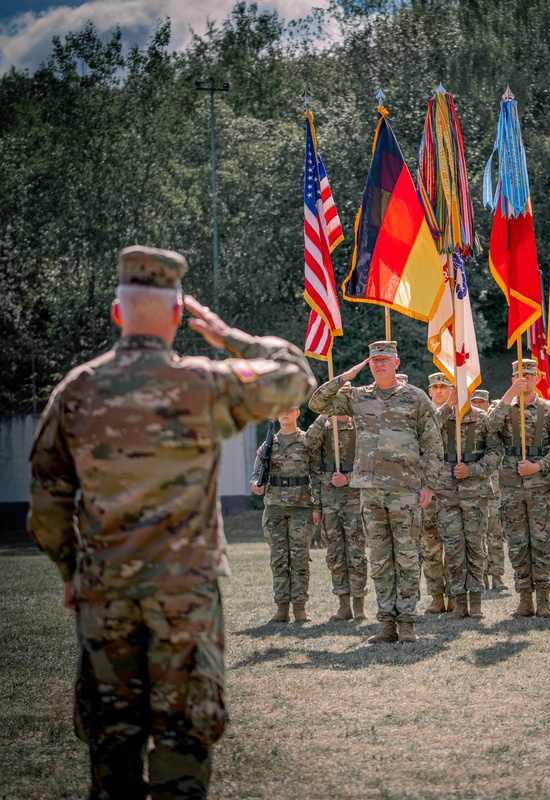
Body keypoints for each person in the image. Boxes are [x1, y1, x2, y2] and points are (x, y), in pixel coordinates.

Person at [27, 245, 315, 800]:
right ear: (181, 317)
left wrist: (72, 570)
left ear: (117, 314)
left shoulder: (77, 391)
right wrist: (228, 335)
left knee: (111, 745)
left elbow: (47, 506)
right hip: (186, 593)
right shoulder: (204, 384)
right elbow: (296, 378)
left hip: (104, 591)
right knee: (184, 743)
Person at [308, 341, 443, 644]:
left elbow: (434, 446)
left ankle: (406, 622)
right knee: (381, 558)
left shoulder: (416, 398)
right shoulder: (357, 397)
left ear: (397, 362)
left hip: (405, 489)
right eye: (373, 361)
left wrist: (429, 484)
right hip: (370, 491)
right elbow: (317, 403)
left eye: (384, 359)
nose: (379, 364)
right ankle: (386, 624)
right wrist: (347, 375)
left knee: (406, 556)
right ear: (368, 365)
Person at [483, 359, 550, 618]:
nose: (526, 378)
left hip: (540, 487)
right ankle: (524, 599)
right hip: (510, 487)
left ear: (538, 377)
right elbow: (488, 426)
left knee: (542, 543)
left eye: (530, 374)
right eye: (520, 376)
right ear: (513, 380)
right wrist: (509, 395)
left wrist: (539, 466)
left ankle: (543, 599)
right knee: (518, 544)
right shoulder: (504, 408)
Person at [435, 387, 504, 618]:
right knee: (453, 548)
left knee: (475, 547)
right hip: (446, 492)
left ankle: (476, 602)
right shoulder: (441, 417)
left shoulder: (483, 418)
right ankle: (459, 601)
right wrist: (447, 406)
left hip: (475, 492)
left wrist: (473, 470)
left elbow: (496, 451)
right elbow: (424, 433)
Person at [251, 406, 315, 622]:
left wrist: (318, 506)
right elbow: (256, 473)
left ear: (297, 413)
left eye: (290, 409)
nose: (285, 413)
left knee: (299, 558)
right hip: (275, 506)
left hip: (301, 506)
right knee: (278, 559)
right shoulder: (268, 444)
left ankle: (299, 608)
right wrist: (255, 485)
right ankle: (281, 609)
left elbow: (316, 473)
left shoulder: (307, 441)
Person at [305, 404, 369, 622]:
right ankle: (344, 606)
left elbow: (370, 464)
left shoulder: (360, 424)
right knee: (335, 554)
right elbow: (308, 450)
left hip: (355, 498)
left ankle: (359, 605)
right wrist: (316, 505)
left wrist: (348, 480)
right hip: (329, 498)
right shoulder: (323, 426)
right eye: (336, 395)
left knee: (356, 554)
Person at [421, 372, 454, 613]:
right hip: (428, 490)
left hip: (452, 490)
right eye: (435, 387)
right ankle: (436, 597)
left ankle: (454, 595)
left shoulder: (461, 416)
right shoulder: (422, 414)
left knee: (453, 545)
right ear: (429, 391)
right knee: (430, 546)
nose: (440, 391)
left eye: (444, 386)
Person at [471, 389, 507, 590]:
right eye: (474, 401)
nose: (478, 405)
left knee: (495, 535)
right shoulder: (467, 426)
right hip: (474, 488)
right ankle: (482, 576)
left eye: (481, 402)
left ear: (487, 404)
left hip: (494, 490)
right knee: (477, 536)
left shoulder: (493, 429)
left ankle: (497, 577)